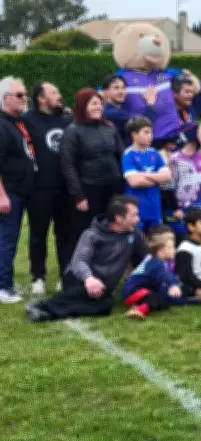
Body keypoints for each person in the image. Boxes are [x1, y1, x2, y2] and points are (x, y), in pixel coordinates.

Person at [25, 196, 148, 320]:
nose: (138, 219)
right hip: (79, 277)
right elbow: (79, 261)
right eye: (134, 215)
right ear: (118, 218)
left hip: (103, 287)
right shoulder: (91, 234)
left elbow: (144, 259)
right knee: (84, 294)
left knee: (106, 305)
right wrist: (89, 278)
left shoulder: (135, 235)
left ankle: (45, 309)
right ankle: (46, 309)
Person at [22, 81, 73, 295]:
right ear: (41, 98)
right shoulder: (26, 120)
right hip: (39, 188)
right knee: (38, 234)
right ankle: (38, 277)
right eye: (54, 92)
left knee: (65, 234)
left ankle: (65, 275)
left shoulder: (67, 118)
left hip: (65, 187)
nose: (59, 95)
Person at [60, 87, 125, 258]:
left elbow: (121, 155)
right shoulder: (73, 130)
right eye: (93, 103)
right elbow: (68, 165)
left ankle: (104, 270)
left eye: (100, 104)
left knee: (109, 230)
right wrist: (78, 195)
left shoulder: (109, 128)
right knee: (84, 234)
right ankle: (76, 273)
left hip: (111, 189)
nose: (98, 107)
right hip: (88, 190)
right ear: (83, 106)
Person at [0, 76, 35, 303]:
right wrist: (1, 195)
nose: (25, 99)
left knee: (10, 238)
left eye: (25, 95)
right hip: (9, 191)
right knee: (7, 239)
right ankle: (4, 287)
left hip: (20, 190)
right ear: (5, 99)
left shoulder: (16, 122)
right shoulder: (2, 125)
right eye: (20, 95)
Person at [121, 226, 183, 320]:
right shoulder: (156, 263)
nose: (174, 249)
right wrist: (173, 285)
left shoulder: (155, 260)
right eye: (171, 247)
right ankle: (139, 310)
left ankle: (137, 304)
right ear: (161, 252)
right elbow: (165, 275)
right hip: (133, 291)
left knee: (163, 303)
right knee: (157, 298)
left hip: (137, 291)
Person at [122, 117, 172, 233]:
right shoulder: (128, 154)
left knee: (156, 242)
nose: (151, 136)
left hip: (154, 208)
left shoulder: (154, 153)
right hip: (136, 210)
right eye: (146, 132)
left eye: (151, 132)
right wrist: (157, 177)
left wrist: (143, 175)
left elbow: (167, 177)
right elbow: (134, 182)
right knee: (138, 244)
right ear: (134, 135)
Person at [101, 75, 157, 147]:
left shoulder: (119, 109)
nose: (121, 91)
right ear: (105, 92)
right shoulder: (111, 113)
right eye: (116, 88)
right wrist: (150, 102)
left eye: (123, 88)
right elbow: (144, 124)